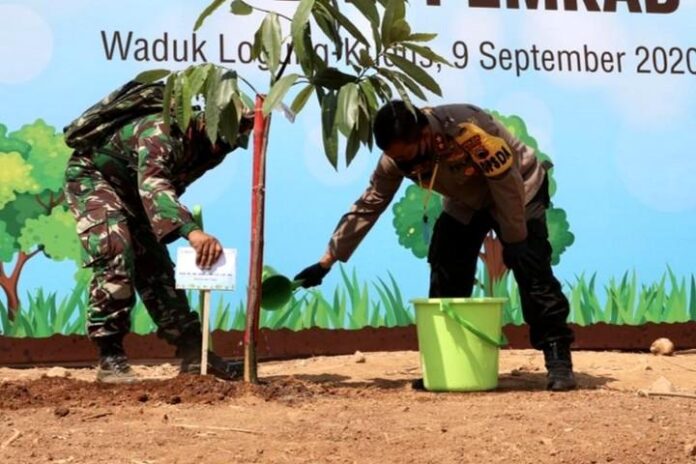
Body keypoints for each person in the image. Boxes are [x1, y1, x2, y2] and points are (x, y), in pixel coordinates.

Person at [295, 100, 577, 391]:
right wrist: (327, 259)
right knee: (445, 257)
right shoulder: (397, 157)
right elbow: (370, 204)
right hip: (467, 198)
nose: (405, 165)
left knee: (531, 266)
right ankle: (446, 363)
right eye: (396, 159)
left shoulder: (468, 130)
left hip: (519, 186)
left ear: (424, 135)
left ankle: (558, 359)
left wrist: (516, 239)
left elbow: (506, 184)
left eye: (407, 156)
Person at [64, 85, 252, 383]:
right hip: (94, 178)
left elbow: (167, 184)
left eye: (239, 136)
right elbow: (155, 184)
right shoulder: (161, 132)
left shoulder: (215, 148)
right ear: (210, 122)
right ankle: (110, 356)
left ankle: (194, 353)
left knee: (156, 268)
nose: (230, 144)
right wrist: (191, 231)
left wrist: (162, 225)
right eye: (229, 134)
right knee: (116, 250)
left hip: (138, 191)